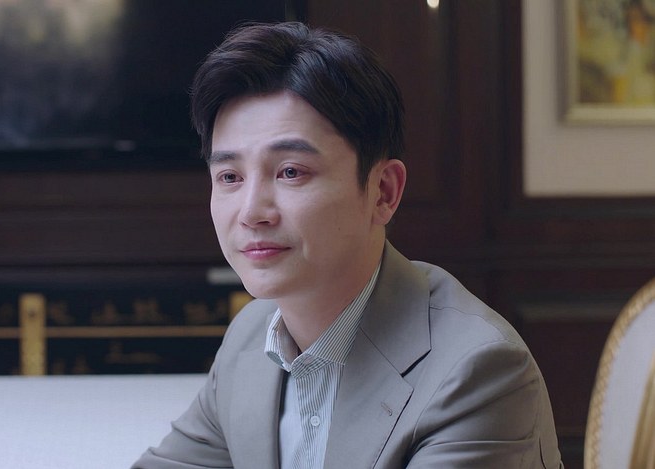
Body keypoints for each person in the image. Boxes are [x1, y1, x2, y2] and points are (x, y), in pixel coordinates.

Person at [133, 22, 562, 468]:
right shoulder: (252, 334)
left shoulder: (477, 369)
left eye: (291, 172)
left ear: (383, 192)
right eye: (229, 177)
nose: (251, 211)